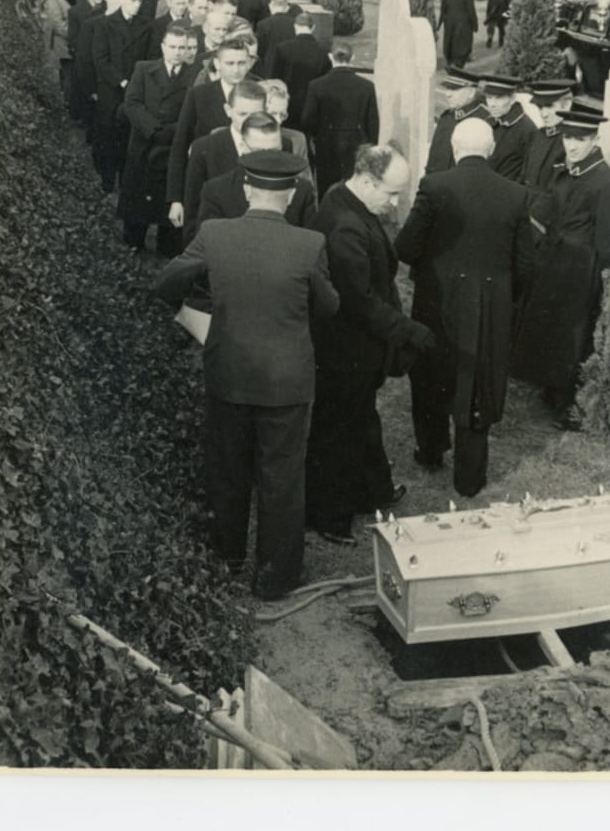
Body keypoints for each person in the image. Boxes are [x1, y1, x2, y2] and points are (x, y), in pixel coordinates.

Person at [153, 149, 339, 599]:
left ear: (246, 189)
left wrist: (197, 315)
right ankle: (275, 577)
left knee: (228, 469)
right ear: (292, 193)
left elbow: (164, 283)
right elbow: (329, 307)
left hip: (229, 373)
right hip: (286, 381)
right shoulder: (308, 244)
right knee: (282, 478)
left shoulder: (215, 234)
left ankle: (226, 561)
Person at [396, 118, 534, 498]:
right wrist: (504, 296)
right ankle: (469, 477)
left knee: (430, 373)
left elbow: (406, 247)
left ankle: (430, 450)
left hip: (437, 298)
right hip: (489, 304)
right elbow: (525, 262)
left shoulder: (435, 186)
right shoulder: (515, 194)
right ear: (490, 150)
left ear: (455, 149)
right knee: (477, 381)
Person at [306, 145, 432, 545]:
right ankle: (328, 515)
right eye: (390, 193)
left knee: (361, 419)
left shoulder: (346, 200)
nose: (395, 204)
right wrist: (408, 330)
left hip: (353, 346)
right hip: (345, 348)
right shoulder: (345, 224)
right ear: (364, 180)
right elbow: (359, 300)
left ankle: (372, 490)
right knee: (340, 430)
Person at [510, 101, 610, 428]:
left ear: (594, 139)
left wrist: (597, 273)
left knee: (571, 335)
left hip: (579, 270)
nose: (572, 146)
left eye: (580, 139)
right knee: (550, 327)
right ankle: (550, 387)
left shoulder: (603, 181)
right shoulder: (567, 167)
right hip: (554, 261)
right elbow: (550, 205)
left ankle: (568, 404)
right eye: (568, 139)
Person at [118, 23, 197, 254]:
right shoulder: (143, 69)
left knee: (167, 197)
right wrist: (152, 129)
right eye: (172, 46)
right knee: (138, 197)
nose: (177, 52)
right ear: (163, 47)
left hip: (173, 145)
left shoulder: (193, 76)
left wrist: (173, 131)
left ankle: (166, 247)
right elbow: (131, 103)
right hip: (144, 143)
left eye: (182, 47)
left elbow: (191, 112)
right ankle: (134, 243)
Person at [165, 37, 257, 229]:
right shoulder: (199, 95)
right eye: (229, 63)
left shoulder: (259, 90)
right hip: (208, 185)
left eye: (241, 63)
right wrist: (175, 199)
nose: (236, 69)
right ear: (217, 64)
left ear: (249, 63)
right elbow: (180, 144)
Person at [193, 112, 318, 248]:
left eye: (274, 152)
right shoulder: (216, 191)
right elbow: (207, 247)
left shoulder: (302, 191)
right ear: (243, 147)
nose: (267, 161)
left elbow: (309, 246)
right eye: (259, 152)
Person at [91, 0, 151, 192]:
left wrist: (137, 83)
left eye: (139, 1)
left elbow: (149, 57)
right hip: (112, 89)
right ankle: (107, 180)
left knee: (130, 137)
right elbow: (100, 59)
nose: (136, 5)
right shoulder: (105, 24)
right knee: (108, 135)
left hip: (136, 89)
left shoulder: (145, 24)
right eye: (132, 0)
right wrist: (121, 80)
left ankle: (127, 181)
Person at [300, 44, 379, 197]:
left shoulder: (316, 85)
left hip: (326, 144)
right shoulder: (367, 87)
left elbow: (307, 120)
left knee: (327, 188)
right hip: (357, 146)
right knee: (355, 189)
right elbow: (373, 123)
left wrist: (317, 136)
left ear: (330, 57)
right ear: (353, 58)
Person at [519, 80, 575, 213]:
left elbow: (559, 192)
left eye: (549, 106)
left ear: (566, 104)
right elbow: (524, 177)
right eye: (540, 107)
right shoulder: (539, 135)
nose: (543, 114)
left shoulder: (572, 141)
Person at [266, 11, 331, 115]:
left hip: (288, 102)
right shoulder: (323, 50)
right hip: (313, 103)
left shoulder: (283, 49)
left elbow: (274, 78)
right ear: (313, 27)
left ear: (295, 27)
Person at [66, 0, 106, 131]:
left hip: (102, 57)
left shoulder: (107, 7)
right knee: (85, 93)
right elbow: (73, 39)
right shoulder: (75, 12)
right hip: (85, 59)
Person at [44, 0, 83, 102]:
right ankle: (67, 106)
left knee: (77, 77)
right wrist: (75, 35)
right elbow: (57, 23)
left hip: (79, 44)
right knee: (68, 77)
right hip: (64, 44)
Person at [439, 0, 479, 68]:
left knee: (449, 40)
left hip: (449, 21)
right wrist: (475, 25)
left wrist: (440, 22)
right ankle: (459, 63)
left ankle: (450, 60)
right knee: (463, 43)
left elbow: (443, 8)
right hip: (463, 22)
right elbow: (471, 11)